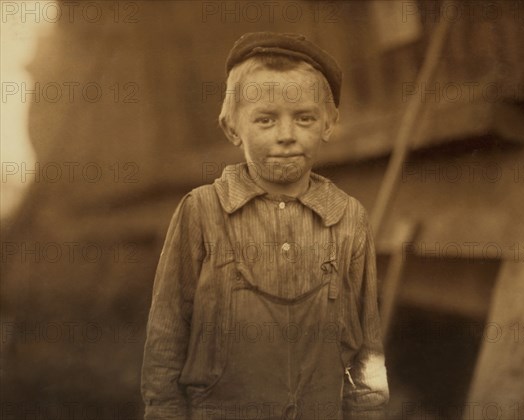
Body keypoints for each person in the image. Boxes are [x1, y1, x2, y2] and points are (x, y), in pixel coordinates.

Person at [141, 32, 389, 420]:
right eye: (266, 119)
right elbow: (166, 337)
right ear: (232, 128)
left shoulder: (348, 218)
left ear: (329, 123)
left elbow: (367, 351)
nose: (286, 135)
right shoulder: (202, 211)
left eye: (304, 118)